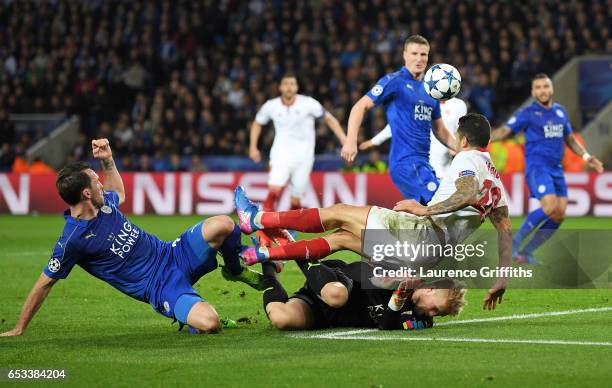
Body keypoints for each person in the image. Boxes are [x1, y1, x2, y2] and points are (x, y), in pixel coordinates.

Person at [238, 113, 510, 310]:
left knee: (340, 212)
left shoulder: (466, 158)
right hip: (428, 256)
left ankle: (256, 218)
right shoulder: (496, 181)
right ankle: (267, 253)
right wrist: (502, 278)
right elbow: (505, 230)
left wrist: (425, 210)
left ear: (463, 140)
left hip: (420, 234)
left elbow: (466, 191)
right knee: (342, 238)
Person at [0, 139, 261, 337]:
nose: (101, 184)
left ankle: (235, 269)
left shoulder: (104, 205)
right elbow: (45, 282)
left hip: (172, 253)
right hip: (159, 286)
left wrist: (108, 161)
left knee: (224, 224)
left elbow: (119, 193)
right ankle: (192, 316)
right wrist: (19, 327)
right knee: (210, 322)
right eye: (95, 182)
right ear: (86, 194)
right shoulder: (73, 240)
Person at [490, 74, 604, 264]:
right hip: (537, 166)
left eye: (545, 86)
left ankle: (526, 253)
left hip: (556, 169)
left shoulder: (560, 112)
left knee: (559, 214)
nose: (542, 90)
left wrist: (586, 156)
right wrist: (483, 138)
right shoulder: (527, 113)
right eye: (538, 87)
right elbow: (505, 131)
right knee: (550, 206)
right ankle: (512, 244)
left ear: (551, 89)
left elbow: (569, 139)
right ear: (533, 92)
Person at [253, 230, 466, 330]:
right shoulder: (405, 270)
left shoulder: (421, 320)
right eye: (436, 309)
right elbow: (361, 269)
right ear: (431, 289)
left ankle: (269, 267)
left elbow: (387, 324)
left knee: (281, 319)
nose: (432, 315)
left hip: (325, 315)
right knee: (336, 295)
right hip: (337, 280)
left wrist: (398, 298)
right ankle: (292, 248)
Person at [341, 35, 456, 204]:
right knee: (439, 205)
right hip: (405, 164)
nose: (419, 59)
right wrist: (350, 140)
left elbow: (440, 130)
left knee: (428, 215)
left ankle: (385, 229)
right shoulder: (394, 82)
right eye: (414, 53)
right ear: (404, 55)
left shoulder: (431, 90)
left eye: (423, 54)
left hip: (423, 163)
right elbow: (360, 106)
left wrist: (463, 149)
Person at [249, 73, 346, 211]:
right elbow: (257, 123)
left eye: (292, 84)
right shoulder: (271, 106)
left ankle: (291, 230)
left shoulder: (308, 103)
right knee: (273, 191)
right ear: (280, 87)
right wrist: (253, 147)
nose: (289, 87)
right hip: (280, 155)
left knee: (296, 199)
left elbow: (329, 118)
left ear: (297, 87)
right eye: (286, 84)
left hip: (304, 157)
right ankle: (264, 228)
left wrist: (343, 139)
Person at [360, 97, 467, 180]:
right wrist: (375, 141)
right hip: (426, 163)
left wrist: (456, 146)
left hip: (448, 164)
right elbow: (398, 123)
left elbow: (459, 131)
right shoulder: (421, 102)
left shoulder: (459, 105)